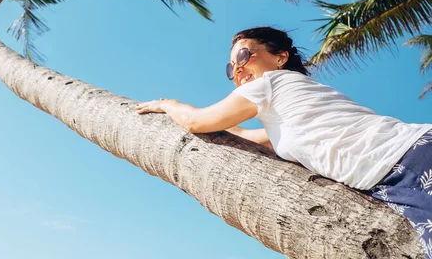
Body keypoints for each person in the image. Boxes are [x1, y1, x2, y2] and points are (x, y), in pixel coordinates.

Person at [135, 26, 432, 257]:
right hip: (400, 169)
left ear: (280, 58)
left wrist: (168, 105)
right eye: (230, 67)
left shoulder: (270, 83)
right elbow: (250, 137)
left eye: (243, 55)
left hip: (406, 160)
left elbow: (197, 123)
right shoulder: (291, 112)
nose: (237, 69)